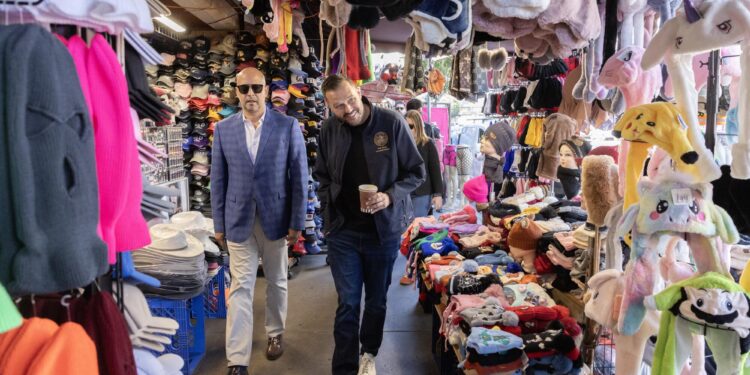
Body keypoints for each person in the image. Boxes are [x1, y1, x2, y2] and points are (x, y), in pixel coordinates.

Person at [314, 75, 425, 375]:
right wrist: (328, 212)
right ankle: (344, 368)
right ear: (329, 107)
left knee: (376, 301)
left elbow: (416, 172)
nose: (348, 109)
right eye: (338, 106)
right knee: (348, 303)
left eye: (350, 100)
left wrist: (389, 197)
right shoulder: (328, 129)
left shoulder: (390, 123)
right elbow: (321, 175)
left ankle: (369, 353)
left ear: (359, 91)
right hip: (343, 232)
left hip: (383, 232)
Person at [211, 68, 308, 375]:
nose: (250, 94)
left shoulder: (287, 125)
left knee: (277, 280)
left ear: (266, 90)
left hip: (277, 218)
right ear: (236, 92)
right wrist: (218, 224)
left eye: (256, 87)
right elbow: (217, 179)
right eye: (244, 89)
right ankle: (237, 359)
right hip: (238, 218)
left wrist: (297, 221)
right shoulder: (224, 129)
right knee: (240, 287)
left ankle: (275, 332)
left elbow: (299, 177)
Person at [399, 110, 443, 285]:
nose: (408, 129)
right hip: (404, 193)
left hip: (422, 193)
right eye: (405, 126)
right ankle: (418, 269)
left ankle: (410, 272)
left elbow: (435, 171)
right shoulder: (401, 144)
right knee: (407, 232)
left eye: (411, 126)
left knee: (416, 233)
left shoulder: (427, 144)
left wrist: (438, 194)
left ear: (418, 126)